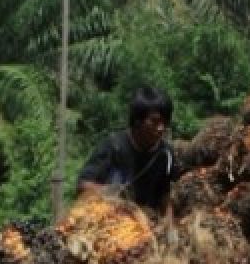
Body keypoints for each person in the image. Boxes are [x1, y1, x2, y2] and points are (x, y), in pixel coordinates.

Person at [77, 86, 182, 224]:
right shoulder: (113, 147)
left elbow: (166, 196)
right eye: (154, 122)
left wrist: (169, 226)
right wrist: (110, 192)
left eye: (165, 122)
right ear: (138, 120)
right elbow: (83, 185)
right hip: (108, 223)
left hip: (146, 227)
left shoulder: (166, 155)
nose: (161, 128)